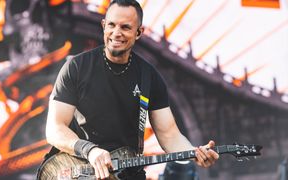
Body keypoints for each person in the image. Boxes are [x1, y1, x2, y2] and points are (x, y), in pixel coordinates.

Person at [45, 0, 219, 179]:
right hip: (80, 170)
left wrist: (194, 152)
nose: (116, 33)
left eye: (125, 27)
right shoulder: (76, 67)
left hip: (128, 173)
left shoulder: (149, 76)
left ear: (139, 33)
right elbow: (54, 128)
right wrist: (90, 150)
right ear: (104, 26)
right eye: (111, 25)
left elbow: (169, 134)